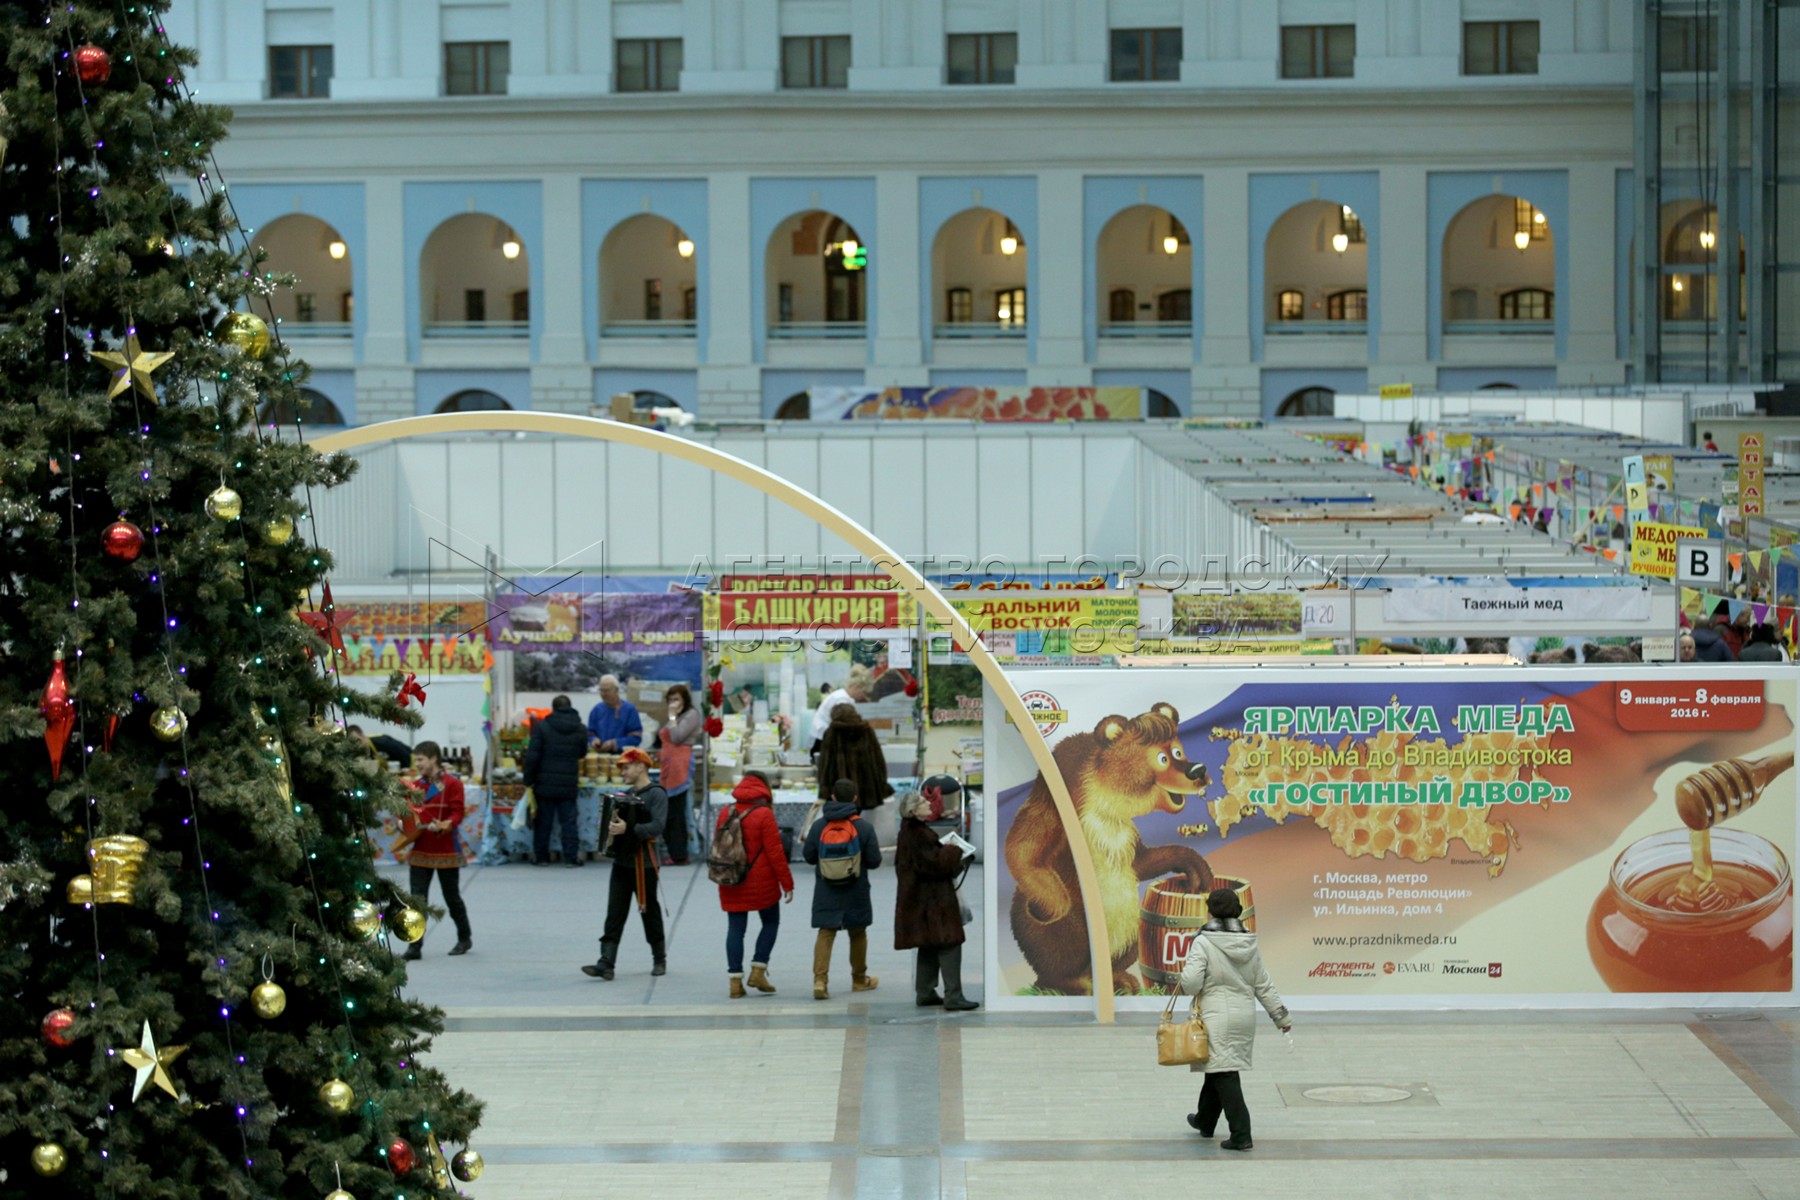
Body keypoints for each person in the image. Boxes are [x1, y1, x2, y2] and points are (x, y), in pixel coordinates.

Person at [1177, 887, 1291, 1152]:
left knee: (1225, 1073)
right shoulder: (1249, 942)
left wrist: (1184, 979)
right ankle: (1204, 1120)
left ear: (1211, 911)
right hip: (1243, 1016)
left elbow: (1192, 983)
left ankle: (1241, 1134)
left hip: (1216, 1015)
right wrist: (1281, 1017)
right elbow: (1263, 983)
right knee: (1218, 1067)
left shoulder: (1204, 941)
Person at [582, 747, 667, 980]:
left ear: (641, 766)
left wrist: (628, 829)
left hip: (645, 864)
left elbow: (658, 826)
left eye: (626, 767)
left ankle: (659, 957)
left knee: (648, 912)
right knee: (614, 913)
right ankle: (606, 962)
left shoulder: (657, 794)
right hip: (622, 862)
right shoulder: (625, 795)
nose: (623, 772)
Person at [894, 791, 977, 1011]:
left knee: (928, 944)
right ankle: (953, 996)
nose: (928, 804)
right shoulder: (918, 834)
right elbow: (934, 864)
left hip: (919, 898)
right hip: (933, 900)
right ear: (914, 811)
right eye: (922, 802)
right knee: (949, 942)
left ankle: (925, 991)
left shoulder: (909, 831)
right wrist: (954, 850)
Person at [802, 779, 883, 1000]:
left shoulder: (819, 826)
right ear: (855, 798)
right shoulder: (864, 827)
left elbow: (808, 857)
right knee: (857, 933)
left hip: (826, 888)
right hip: (856, 887)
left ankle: (820, 981)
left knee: (826, 933)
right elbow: (875, 861)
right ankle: (859, 979)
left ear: (833, 797)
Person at [716, 771, 794, 997]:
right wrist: (786, 883)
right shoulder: (764, 814)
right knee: (770, 922)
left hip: (731, 878)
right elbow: (776, 853)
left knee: (735, 929)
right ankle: (758, 970)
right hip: (762, 881)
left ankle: (735, 983)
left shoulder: (725, 812)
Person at [403, 741, 472, 960]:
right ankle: (415, 946)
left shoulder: (453, 784)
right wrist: (402, 823)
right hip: (421, 849)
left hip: (446, 850)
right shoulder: (414, 787)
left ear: (434, 758)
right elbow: (409, 816)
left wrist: (446, 824)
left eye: (421, 760)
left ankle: (464, 937)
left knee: (452, 897)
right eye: (417, 760)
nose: (418, 764)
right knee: (416, 900)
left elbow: (457, 813)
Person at [523, 694, 589, 867]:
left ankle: (542, 857)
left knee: (544, 822)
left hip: (544, 783)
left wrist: (528, 779)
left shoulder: (542, 727)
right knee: (569, 822)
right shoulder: (580, 728)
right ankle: (571, 858)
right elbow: (582, 753)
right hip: (568, 782)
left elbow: (532, 757)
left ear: (553, 709)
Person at [656, 683, 703, 865]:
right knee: (666, 810)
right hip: (668, 765)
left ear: (685, 700)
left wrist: (672, 716)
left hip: (680, 764)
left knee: (676, 811)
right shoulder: (675, 716)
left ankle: (680, 853)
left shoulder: (691, 715)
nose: (673, 703)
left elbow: (676, 737)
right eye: (670, 699)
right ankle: (670, 850)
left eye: (676, 699)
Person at [816, 703, 894, 813]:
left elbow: (825, 764)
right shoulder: (867, 730)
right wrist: (881, 783)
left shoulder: (831, 732)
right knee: (857, 820)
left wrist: (824, 788)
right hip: (865, 789)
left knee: (840, 821)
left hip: (839, 789)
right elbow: (878, 761)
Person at [810, 663, 872, 755]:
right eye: (864, 693)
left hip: (823, 739)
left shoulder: (841, 696)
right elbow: (844, 728)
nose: (864, 697)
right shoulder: (842, 700)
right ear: (856, 687)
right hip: (823, 742)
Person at [587, 674, 642, 752]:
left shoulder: (629, 710)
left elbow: (636, 738)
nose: (603, 694)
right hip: (601, 757)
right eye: (601, 690)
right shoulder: (596, 710)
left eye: (607, 690)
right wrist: (594, 740)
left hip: (622, 758)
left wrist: (615, 743)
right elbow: (590, 733)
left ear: (616, 690)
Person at [347, 724, 411, 768]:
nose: (358, 745)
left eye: (358, 740)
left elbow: (405, 754)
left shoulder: (382, 743)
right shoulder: (357, 755)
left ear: (363, 736)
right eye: (353, 743)